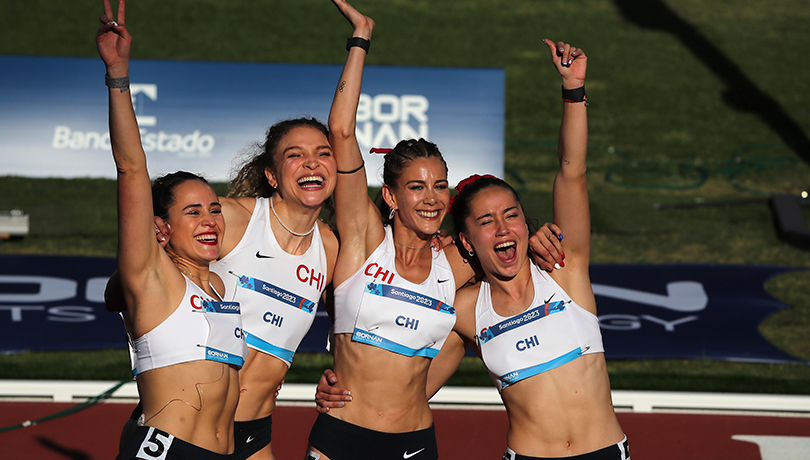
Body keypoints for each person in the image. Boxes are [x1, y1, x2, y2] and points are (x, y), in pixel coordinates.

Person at [304, 3, 565, 460]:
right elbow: (341, 131)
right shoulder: (365, 241)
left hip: (415, 444)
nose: (431, 198)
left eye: (440, 186)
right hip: (341, 436)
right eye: (417, 187)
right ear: (390, 197)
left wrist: (539, 236)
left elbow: (505, 240)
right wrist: (361, 37)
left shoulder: (455, 263)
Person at [433, 40, 629, 459]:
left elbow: (572, 174)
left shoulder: (564, 269)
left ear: (526, 222)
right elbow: (406, 387)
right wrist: (344, 390)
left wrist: (573, 90)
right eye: (486, 222)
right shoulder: (463, 310)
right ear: (467, 240)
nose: (503, 229)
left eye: (511, 215)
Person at [97, 1, 248, 458]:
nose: (210, 221)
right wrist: (118, 76)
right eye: (193, 212)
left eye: (215, 209)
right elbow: (131, 168)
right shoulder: (153, 279)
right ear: (161, 229)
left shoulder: (226, 286)